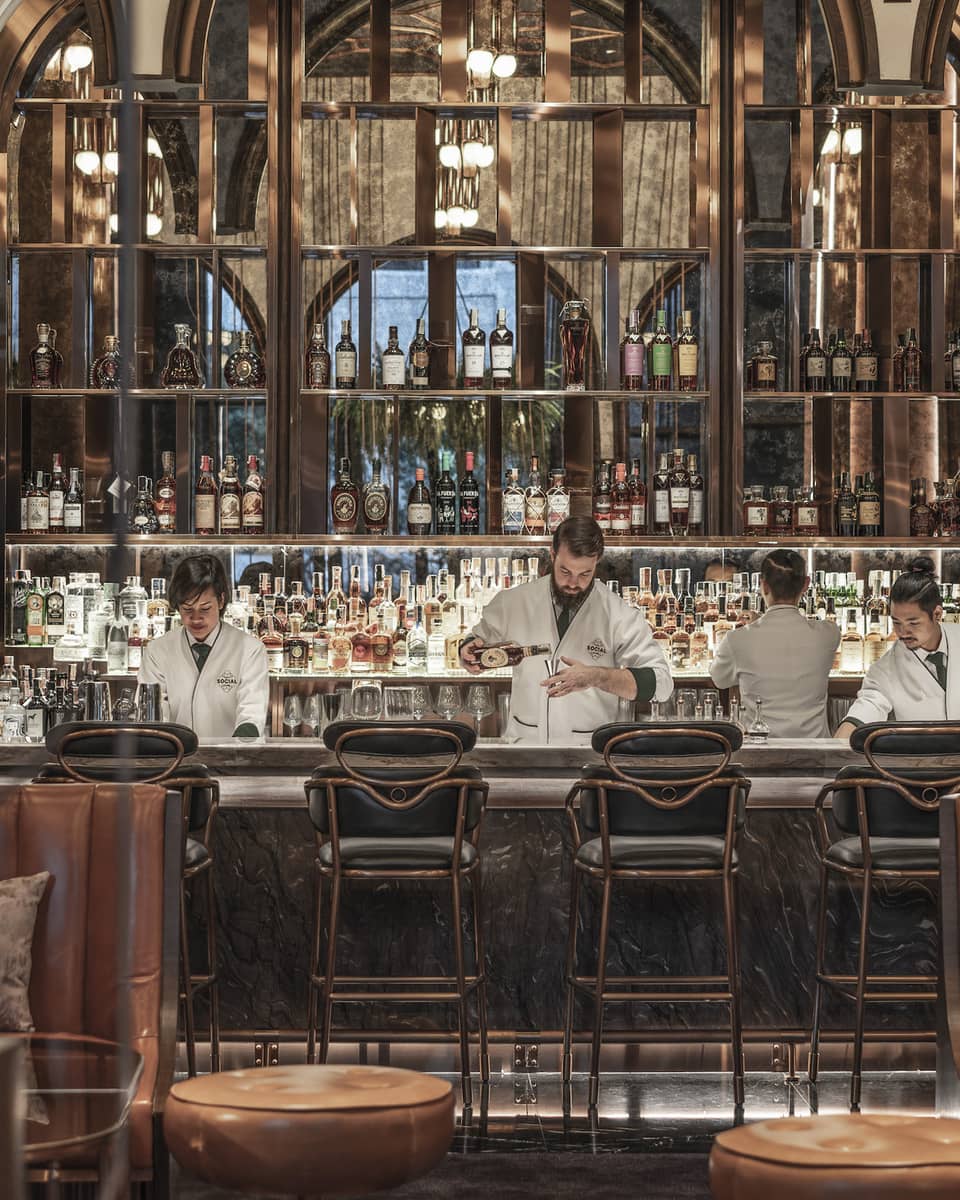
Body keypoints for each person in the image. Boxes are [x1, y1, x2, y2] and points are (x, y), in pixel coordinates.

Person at [459, 515, 673, 744]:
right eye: (565, 571)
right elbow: (477, 639)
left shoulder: (617, 614)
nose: (573, 583)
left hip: (590, 750)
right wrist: (467, 650)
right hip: (526, 746)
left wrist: (597, 676)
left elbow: (661, 683)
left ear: (597, 562)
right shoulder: (514, 602)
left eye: (584, 574)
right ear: (552, 555)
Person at [709, 548, 839, 738]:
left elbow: (719, 679)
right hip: (814, 754)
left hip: (760, 751)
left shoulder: (737, 640)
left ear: (763, 585)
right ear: (806, 585)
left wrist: (755, 625)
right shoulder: (829, 634)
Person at [139, 553, 269, 738]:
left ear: (221, 600)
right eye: (187, 609)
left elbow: (251, 712)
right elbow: (154, 715)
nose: (196, 618)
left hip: (230, 761)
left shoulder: (250, 650)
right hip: (175, 760)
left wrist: (237, 751)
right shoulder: (157, 651)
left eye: (205, 608)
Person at [836, 556, 959, 738]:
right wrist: (835, 748)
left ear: (937, 614)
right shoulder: (886, 668)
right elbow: (866, 708)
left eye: (913, 623)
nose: (903, 632)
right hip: (922, 761)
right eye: (896, 622)